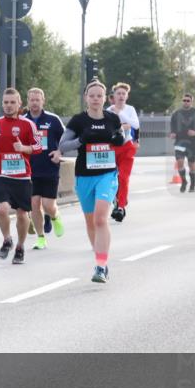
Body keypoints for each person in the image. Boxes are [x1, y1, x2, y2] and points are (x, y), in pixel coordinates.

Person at [52, 79, 126, 283]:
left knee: (101, 219)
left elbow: (122, 136)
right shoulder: (78, 121)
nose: (95, 99)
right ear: (86, 98)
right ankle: (100, 258)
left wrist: (120, 138)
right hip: (84, 175)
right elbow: (63, 145)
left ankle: (101, 266)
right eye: (91, 95)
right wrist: (81, 140)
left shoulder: (113, 118)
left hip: (107, 174)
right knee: (91, 222)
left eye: (99, 96)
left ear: (105, 98)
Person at [0, 88, 42, 265]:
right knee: (2, 209)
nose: (8, 106)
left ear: (19, 104)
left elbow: (38, 147)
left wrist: (24, 149)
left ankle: (20, 247)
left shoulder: (28, 125)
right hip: (2, 174)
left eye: (12, 102)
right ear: (2, 104)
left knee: (23, 215)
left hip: (23, 177)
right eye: (5, 102)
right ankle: (7, 239)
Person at [23, 88, 65, 249]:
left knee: (48, 205)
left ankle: (55, 217)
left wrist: (59, 152)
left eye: (37, 100)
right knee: (34, 204)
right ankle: (41, 238)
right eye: (32, 100)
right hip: (29, 170)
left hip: (49, 168)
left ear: (43, 101)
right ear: (27, 101)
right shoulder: (22, 121)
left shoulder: (53, 120)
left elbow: (66, 138)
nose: (34, 103)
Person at [106, 82, 140, 222]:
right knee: (111, 178)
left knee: (124, 178)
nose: (121, 96)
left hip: (127, 146)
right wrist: (122, 126)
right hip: (112, 147)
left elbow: (136, 124)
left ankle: (120, 206)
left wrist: (120, 114)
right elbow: (107, 127)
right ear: (113, 96)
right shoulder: (108, 110)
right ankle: (116, 201)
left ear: (127, 96)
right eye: (118, 93)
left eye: (123, 94)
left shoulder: (130, 109)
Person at [169, 93, 195, 193]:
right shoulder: (176, 113)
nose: (186, 102)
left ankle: (193, 184)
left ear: (191, 102)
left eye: (188, 100)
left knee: (191, 164)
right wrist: (172, 133)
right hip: (179, 142)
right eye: (184, 100)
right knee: (180, 163)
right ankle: (184, 182)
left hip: (192, 144)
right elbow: (172, 125)